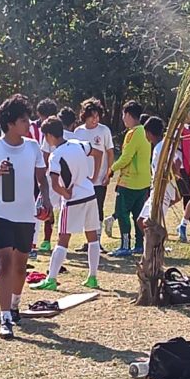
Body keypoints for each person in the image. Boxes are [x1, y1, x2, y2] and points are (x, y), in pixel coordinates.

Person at [0, 94, 51, 339]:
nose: (29, 124)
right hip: (0, 213)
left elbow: (42, 178)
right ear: (10, 123)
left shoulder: (32, 146)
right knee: (4, 264)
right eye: (23, 120)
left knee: (21, 267)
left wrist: (46, 199)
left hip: (25, 214)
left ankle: (15, 304)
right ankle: (4, 317)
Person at [31, 116, 101, 291]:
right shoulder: (78, 144)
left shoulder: (56, 155)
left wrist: (65, 193)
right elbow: (98, 153)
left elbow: (54, 184)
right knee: (92, 237)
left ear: (48, 136)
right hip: (89, 193)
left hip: (73, 199)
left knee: (63, 238)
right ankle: (92, 277)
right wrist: (93, 177)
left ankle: (51, 279)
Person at [108, 101, 150, 257]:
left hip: (129, 182)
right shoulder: (145, 131)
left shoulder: (132, 133)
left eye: (123, 115)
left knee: (122, 213)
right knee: (139, 215)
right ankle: (139, 245)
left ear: (127, 114)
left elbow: (126, 157)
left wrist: (111, 169)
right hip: (144, 182)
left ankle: (125, 245)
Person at [73, 98, 114, 250]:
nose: (95, 120)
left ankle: (97, 241)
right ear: (85, 116)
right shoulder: (78, 132)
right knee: (85, 210)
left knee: (98, 208)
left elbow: (110, 153)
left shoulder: (104, 131)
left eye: (98, 116)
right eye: (92, 116)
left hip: (99, 179)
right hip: (82, 179)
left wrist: (108, 173)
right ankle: (88, 241)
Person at [138, 117, 183, 228]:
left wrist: (171, 176)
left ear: (148, 133)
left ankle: (157, 244)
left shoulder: (160, 148)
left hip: (162, 192)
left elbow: (174, 162)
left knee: (149, 223)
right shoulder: (161, 146)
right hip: (157, 191)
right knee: (142, 221)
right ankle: (155, 245)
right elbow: (177, 160)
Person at [31, 98, 59, 253]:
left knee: (44, 206)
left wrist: (41, 172)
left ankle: (44, 240)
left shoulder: (54, 130)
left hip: (46, 173)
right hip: (39, 170)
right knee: (45, 207)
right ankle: (40, 240)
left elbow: (46, 154)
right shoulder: (32, 127)